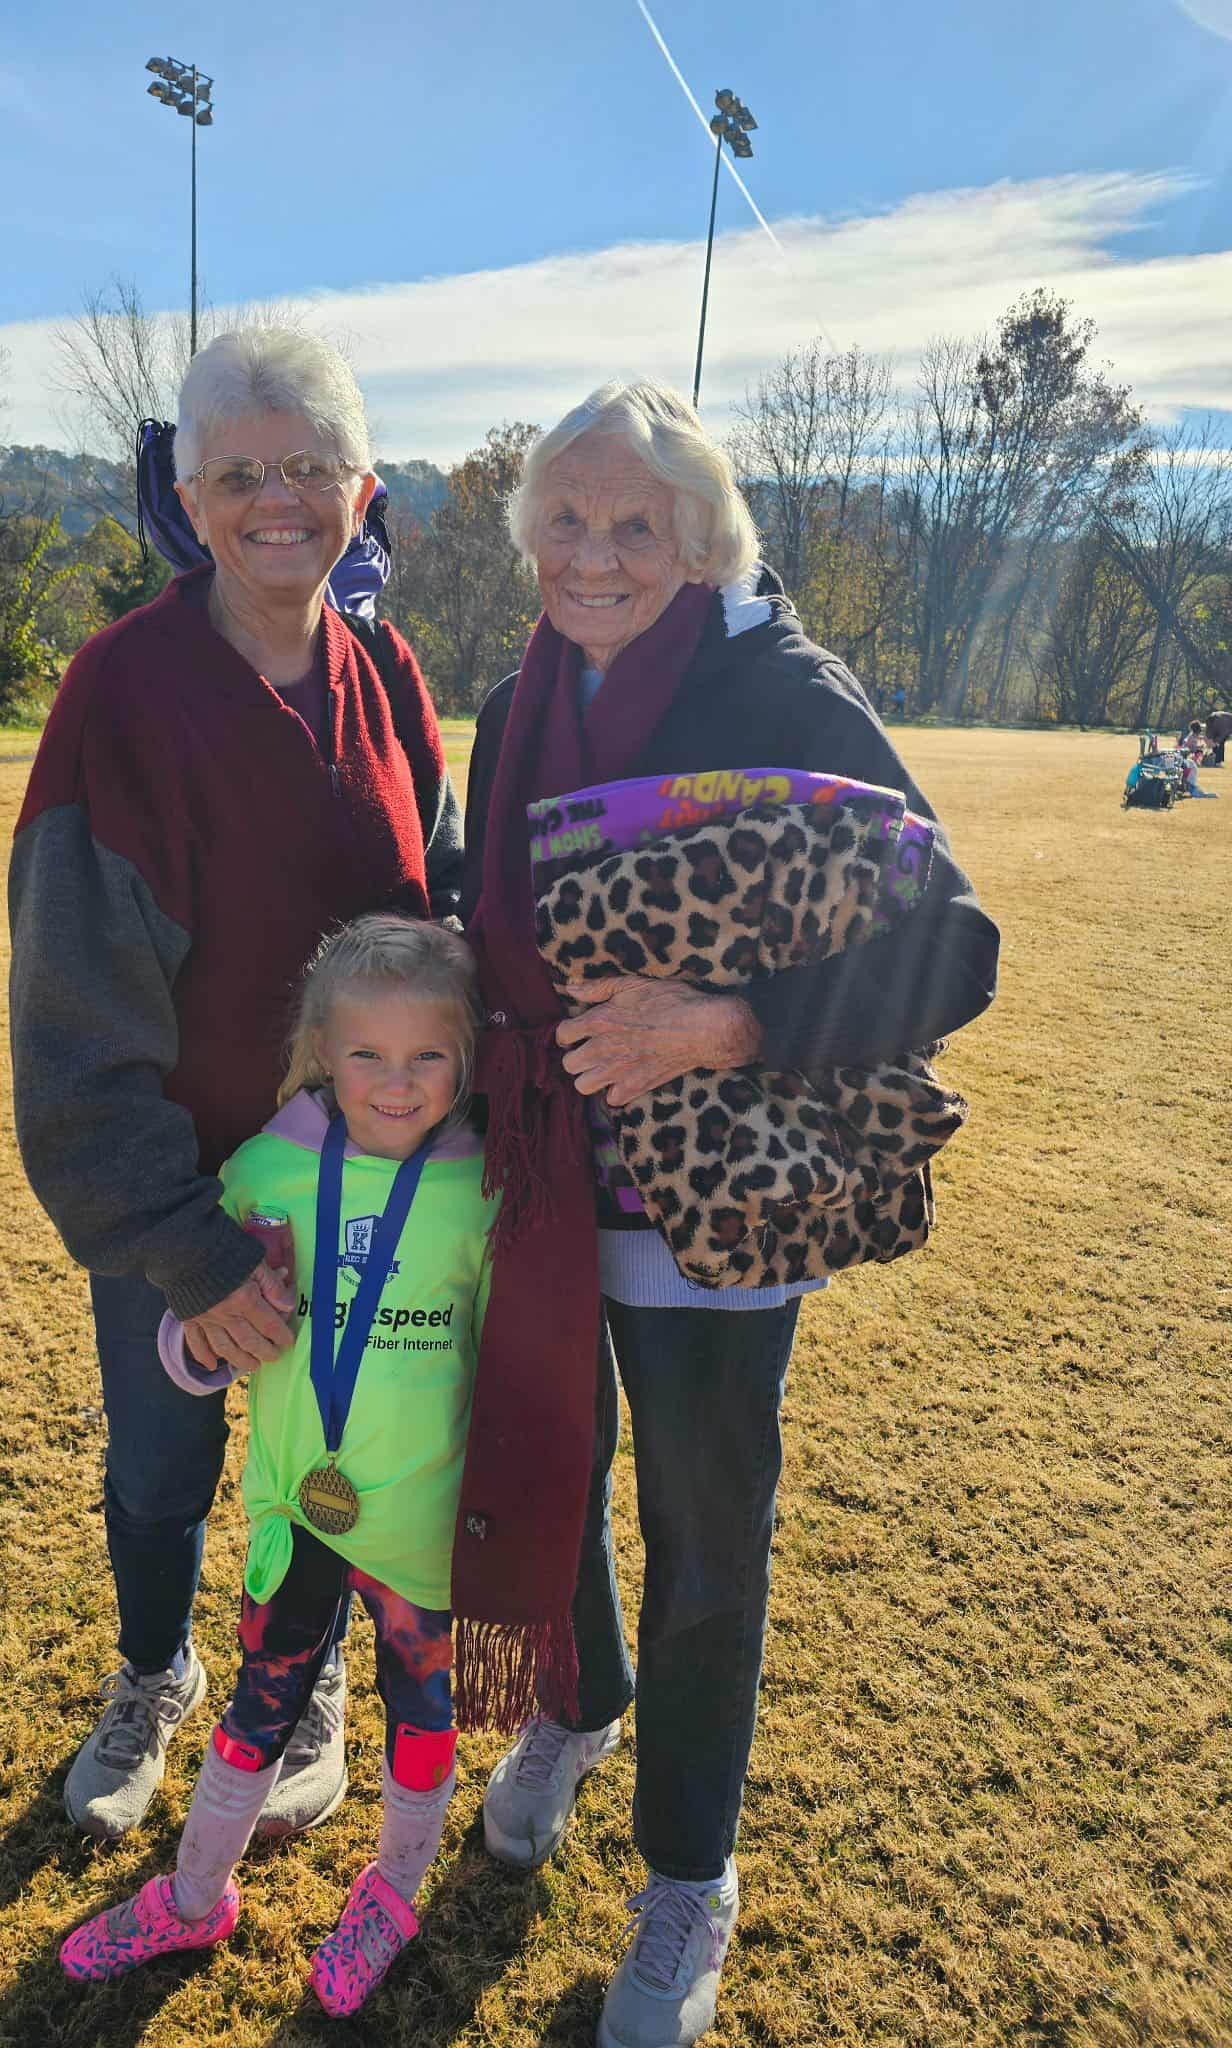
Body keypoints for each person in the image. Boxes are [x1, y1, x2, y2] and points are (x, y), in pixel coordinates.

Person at [459, 381, 1000, 2048]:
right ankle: (583, 1698)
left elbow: (956, 945)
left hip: (720, 1214)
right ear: (526, 533)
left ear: (702, 536)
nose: (597, 554)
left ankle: (688, 1870)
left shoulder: (783, 690)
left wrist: (728, 1018)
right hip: (541, 1192)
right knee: (554, 1466)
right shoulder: (510, 703)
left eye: (636, 522)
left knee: (707, 1533)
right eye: (566, 518)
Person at [8, 327, 464, 1845]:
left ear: (362, 488)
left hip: (368, 1199)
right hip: (189, 1204)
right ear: (187, 498)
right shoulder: (120, 696)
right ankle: (153, 1672)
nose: (278, 500)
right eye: (238, 474)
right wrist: (197, 1258)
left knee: (331, 1456)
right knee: (162, 1462)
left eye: (309, 467)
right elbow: (72, 1036)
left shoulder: (388, 668)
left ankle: (310, 1673)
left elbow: (443, 912)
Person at [58, 915, 494, 2015]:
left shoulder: (490, 1189)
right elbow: (199, 1332)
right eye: (366, 1055)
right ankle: (196, 1891)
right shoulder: (264, 1167)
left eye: (427, 1055)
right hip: (298, 1513)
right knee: (257, 1699)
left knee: (421, 1712)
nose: (396, 1084)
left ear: (468, 1055)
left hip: (423, 1534)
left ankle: (394, 1890)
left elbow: (516, 1367)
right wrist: (199, 1340)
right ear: (318, 1049)